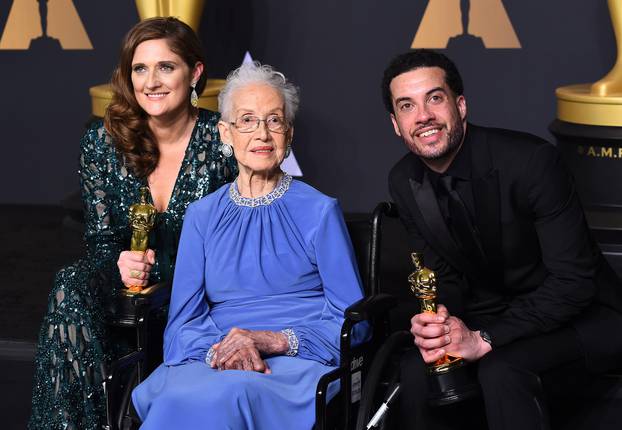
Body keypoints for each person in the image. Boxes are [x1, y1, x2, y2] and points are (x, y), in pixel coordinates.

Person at [383, 49, 622, 429]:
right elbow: (441, 278)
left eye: (435, 98)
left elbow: (573, 282)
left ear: (460, 106)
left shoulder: (531, 162)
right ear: (396, 124)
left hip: (584, 318)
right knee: (416, 370)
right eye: (407, 106)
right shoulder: (404, 180)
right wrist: (440, 323)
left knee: (502, 370)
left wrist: (485, 338)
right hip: (492, 316)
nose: (423, 115)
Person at [131, 61, 365, 429]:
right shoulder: (202, 216)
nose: (262, 134)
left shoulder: (320, 211)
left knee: (232, 394)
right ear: (226, 133)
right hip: (215, 357)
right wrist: (222, 350)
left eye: (274, 121)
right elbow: (181, 324)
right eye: (247, 120)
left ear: (288, 134)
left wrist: (269, 340)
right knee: (179, 396)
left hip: (292, 362)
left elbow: (354, 323)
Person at [28, 17, 236, 430]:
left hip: (201, 288)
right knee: (70, 284)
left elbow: (240, 240)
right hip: (127, 286)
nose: (151, 81)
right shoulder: (103, 140)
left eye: (166, 67)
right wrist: (121, 262)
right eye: (140, 69)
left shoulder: (225, 140)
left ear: (194, 73)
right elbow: (102, 243)